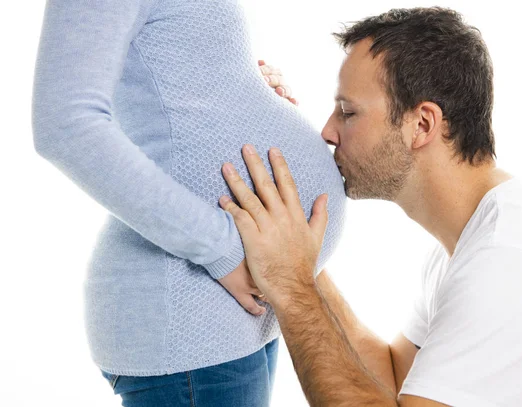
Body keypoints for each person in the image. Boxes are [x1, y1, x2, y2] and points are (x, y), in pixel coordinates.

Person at [218, 7, 522, 407]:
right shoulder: (470, 244)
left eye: (348, 112)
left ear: (422, 125)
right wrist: (296, 257)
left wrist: (291, 284)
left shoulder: (511, 262)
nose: (328, 132)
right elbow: (393, 379)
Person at [31, 0, 346, 406]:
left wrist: (244, 90)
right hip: (190, 308)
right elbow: (65, 126)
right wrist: (224, 250)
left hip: (232, 313)